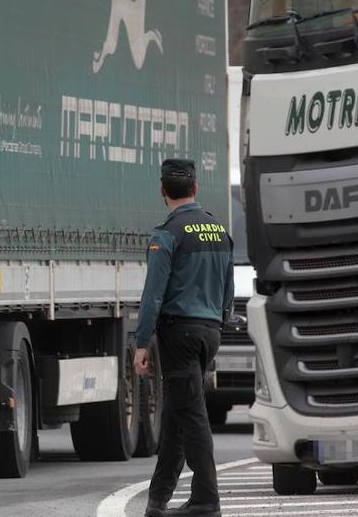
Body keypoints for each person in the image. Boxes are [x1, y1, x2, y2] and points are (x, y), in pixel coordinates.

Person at [135, 159, 235, 517]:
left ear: (163, 191)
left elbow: (153, 296)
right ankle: (158, 500)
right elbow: (228, 292)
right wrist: (217, 327)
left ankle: (207, 499)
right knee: (179, 412)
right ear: (195, 188)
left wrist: (141, 342)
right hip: (210, 333)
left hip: (180, 333)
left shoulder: (167, 234)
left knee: (190, 414)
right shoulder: (219, 231)